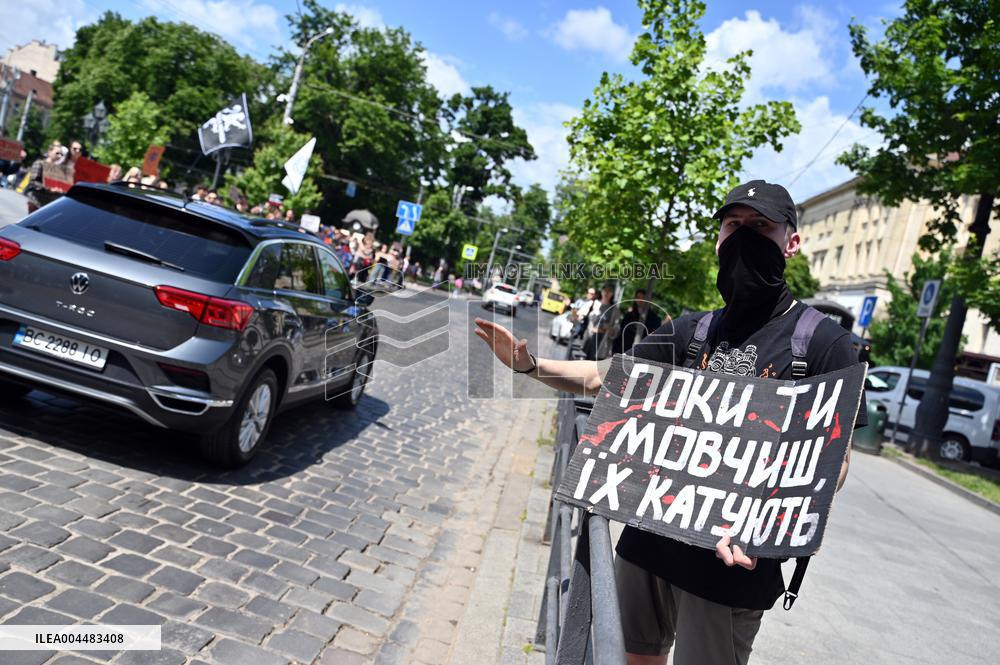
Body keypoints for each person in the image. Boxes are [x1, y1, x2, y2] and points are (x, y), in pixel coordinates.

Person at [473, 180, 868, 665]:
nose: (743, 236)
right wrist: (530, 365)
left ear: (791, 241)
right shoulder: (691, 330)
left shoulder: (827, 345)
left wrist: (766, 526)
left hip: (732, 566)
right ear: (719, 240)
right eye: (733, 225)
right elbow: (606, 379)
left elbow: (834, 459)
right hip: (651, 542)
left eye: (760, 226)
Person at [613, 288, 664, 354]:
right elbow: (621, 333)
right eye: (638, 297)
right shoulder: (628, 316)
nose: (640, 300)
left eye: (643, 298)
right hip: (623, 351)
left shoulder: (655, 319)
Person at [581, 282, 621, 361]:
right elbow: (581, 315)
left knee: (595, 365)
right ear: (601, 291)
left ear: (612, 294)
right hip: (589, 338)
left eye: (609, 291)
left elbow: (616, 329)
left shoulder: (614, 310)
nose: (606, 292)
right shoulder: (593, 304)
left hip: (602, 341)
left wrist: (610, 329)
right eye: (605, 290)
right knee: (585, 362)